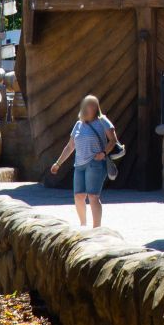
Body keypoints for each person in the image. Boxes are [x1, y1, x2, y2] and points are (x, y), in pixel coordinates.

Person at [49, 94, 118, 228]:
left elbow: (113, 140)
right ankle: (83, 225)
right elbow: (70, 146)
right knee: (78, 196)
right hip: (79, 165)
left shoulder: (102, 121)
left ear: (96, 108)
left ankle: (96, 228)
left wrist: (103, 153)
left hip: (95, 163)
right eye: (86, 105)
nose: (88, 108)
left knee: (93, 196)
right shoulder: (78, 124)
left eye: (91, 105)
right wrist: (58, 163)